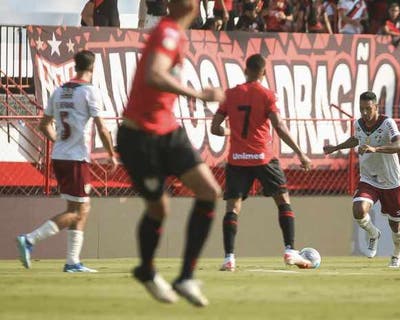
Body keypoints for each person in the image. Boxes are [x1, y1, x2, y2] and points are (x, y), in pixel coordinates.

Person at [116, 0, 224, 308]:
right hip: (139, 137)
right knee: (159, 209)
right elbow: (154, 74)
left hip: (167, 130)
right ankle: (147, 271)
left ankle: (186, 276)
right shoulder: (168, 32)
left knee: (209, 191)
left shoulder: (175, 32)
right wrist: (199, 95)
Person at [16, 50, 117, 272]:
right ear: (92, 68)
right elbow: (101, 127)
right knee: (77, 212)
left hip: (61, 156)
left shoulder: (59, 91)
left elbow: (44, 124)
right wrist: (111, 153)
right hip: (76, 159)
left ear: (75, 66)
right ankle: (30, 239)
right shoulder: (90, 92)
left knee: (81, 207)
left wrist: (59, 141)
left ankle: (72, 262)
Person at [210, 54, 313, 272]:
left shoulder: (230, 95)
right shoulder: (267, 95)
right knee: (282, 200)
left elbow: (215, 128)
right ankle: (289, 250)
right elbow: (279, 127)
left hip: (237, 158)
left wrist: (232, 130)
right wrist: (300, 153)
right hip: (263, 157)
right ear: (264, 73)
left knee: (233, 207)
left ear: (245, 70)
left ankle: (229, 258)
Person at [324, 91, 400, 268]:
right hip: (369, 178)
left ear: (376, 107)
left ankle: (396, 253)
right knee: (358, 209)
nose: (365, 113)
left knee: (395, 226)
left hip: (391, 181)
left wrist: (375, 149)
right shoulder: (359, 123)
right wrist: (335, 148)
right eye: (361, 109)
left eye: (368, 109)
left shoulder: (387, 123)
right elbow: (356, 139)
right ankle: (373, 233)